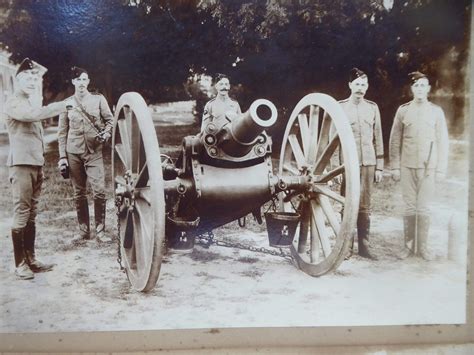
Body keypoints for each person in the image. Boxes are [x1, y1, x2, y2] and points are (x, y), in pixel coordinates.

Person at [5, 58, 68, 279]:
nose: (32, 82)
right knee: (22, 213)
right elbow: (32, 115)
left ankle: (31, 258)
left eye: (35, 78)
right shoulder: (13, 102)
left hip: (35, 163)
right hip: (21, 165)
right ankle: (19, 263)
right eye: (28, 78)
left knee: (32, 213)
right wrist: (62, 105)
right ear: (18, 80)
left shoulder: (29, 102)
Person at [389, 71, 449, 260]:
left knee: (423, 208)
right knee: (409, 207)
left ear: (429, 89)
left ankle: (423, 247)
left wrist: (440, 169)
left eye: (423, 85)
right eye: (417, 86)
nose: (420, 89)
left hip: (428, 169)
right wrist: (396, 167)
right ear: (412, 89)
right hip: (407, 167)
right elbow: (394, 141)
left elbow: (443, 142)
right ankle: (407, 246)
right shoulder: (403, 111)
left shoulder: (436, 112)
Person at [57, 66, 113, 243]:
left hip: (94, 151)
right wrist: (62, 157)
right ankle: (83, 231)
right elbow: (61, 132)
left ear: (88, 81)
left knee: (99, 191)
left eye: (84, 79)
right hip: (73, 152)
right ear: (73, 82)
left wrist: (107, 133)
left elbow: (110, 121)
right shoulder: (67, 104)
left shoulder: (98, 100)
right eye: (78, 79)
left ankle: (100, 231)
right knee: (79, 193)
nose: (81, 83)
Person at [335, 68, 384, 259]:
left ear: (367, 86)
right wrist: (336, 168)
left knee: (365, 205)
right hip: (348, 164)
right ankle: (346, 247)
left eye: (364, 85)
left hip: (368, 163)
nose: (360, 88)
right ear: (349, 85)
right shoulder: (341, 107)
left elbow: (378, 137)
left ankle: (364, 246)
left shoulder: (372, 108)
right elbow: (334, 140)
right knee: (348, 204)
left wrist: (379, 166)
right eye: (357, 84)